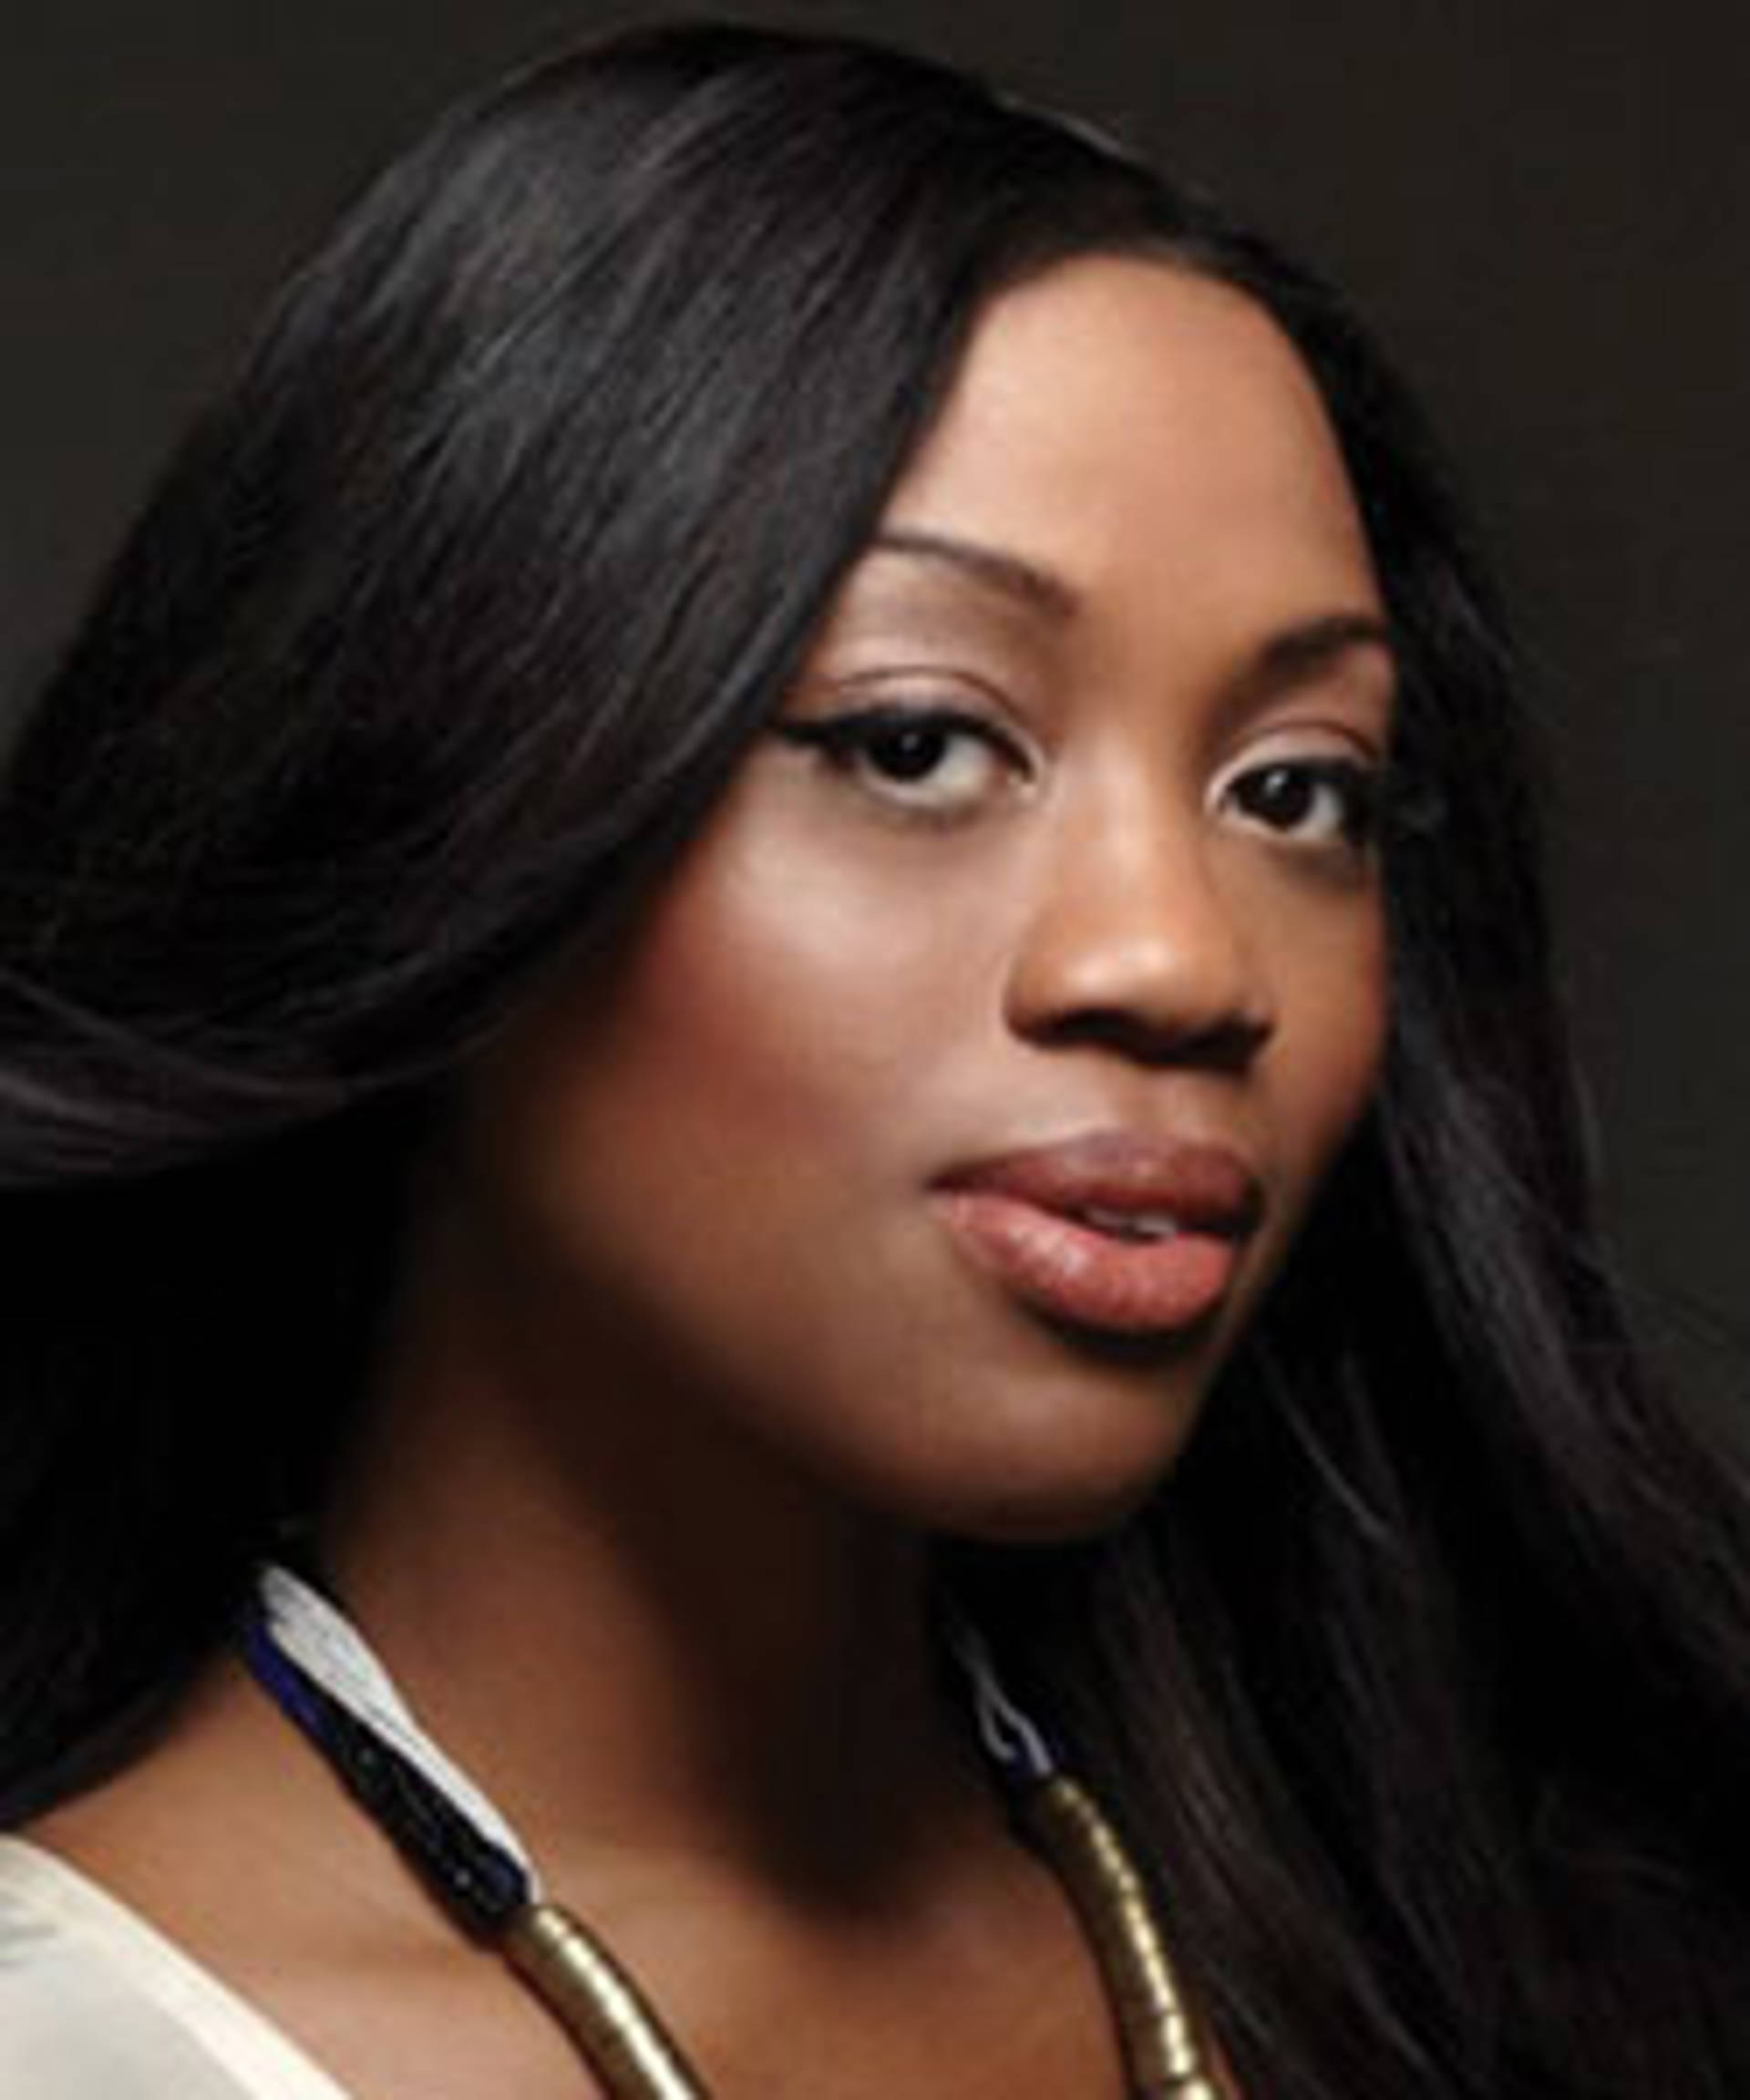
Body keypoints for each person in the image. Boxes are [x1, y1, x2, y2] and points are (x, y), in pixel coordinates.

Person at [0, 19, 1745, 2099]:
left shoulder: (1543, 1966)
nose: (1178, 960)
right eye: (917, 742)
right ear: (445, 810)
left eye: (1297, 790)